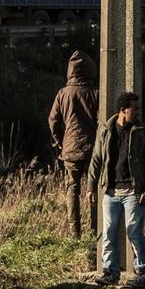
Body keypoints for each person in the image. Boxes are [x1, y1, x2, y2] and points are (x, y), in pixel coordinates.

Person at [87, 92, 145, 288]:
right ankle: (110, 272)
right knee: (108, 232)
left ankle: (144, 271)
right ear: (123, 110)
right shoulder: (106, 130)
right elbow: (96, 160)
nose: (137, 112)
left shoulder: (143, 131)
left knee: (134, 232)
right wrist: (91, 187)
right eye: (134, 109)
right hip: (110, 191)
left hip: (134, 191)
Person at [48, 50, 99, 237]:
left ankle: (74, 232)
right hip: (93, 148)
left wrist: (60, 141)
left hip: (69, 148)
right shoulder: (96, 93)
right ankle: (95, 230)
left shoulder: (63, 93)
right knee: (94, 189)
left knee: (72, 190)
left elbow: (53, 120)